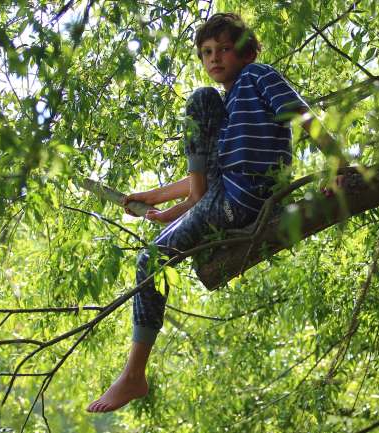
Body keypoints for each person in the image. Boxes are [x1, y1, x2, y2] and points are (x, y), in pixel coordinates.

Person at [87, 12, 340, 413]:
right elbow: (212, 170)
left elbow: (302, 113)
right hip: (226, 195)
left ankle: (134, 373)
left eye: (224, 49)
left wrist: (336, 163)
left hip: (247, 197)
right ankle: (192, 207)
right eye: (207, 52)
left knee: (151, 258)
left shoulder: (258, 77)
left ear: (248, 52)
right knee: (204, 100)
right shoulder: (226, 106)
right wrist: (154, 196)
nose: (215, 58)